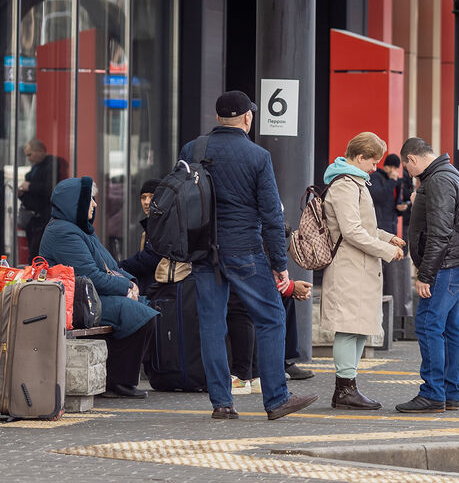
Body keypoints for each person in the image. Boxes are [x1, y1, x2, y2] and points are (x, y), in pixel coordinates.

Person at [181, 90, 316, 421]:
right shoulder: (257, 156)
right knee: (270, 318)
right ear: (247, 118)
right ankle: (276, 399)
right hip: (243, 249)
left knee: (212, 325)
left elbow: (182, 200)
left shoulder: (192, 149)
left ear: (217, 118)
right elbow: (271, 215)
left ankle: (222, 403)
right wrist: (280, 267)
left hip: (202, 250)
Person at [39, 176, 158, 399]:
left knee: (143, 308)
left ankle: (118, 379)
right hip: (78, 302)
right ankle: (119, 381)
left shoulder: (81, 230)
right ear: (76, 203)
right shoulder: (63, 232)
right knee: (140, 314)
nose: (95, 204)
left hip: (92, 297)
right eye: (91, 200)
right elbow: (91, 275)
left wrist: (131, 283)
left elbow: (112, 267)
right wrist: (125, 288)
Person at [320, 132, 405, 410]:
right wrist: (386, 250)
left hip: (357, 265)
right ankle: (345, 390)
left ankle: (348, 388)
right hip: (349, 266)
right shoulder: (345, 185)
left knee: (357, 327)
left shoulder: (354, 182)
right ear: (359, 157)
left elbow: (362, 228)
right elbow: (352, 231)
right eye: (372, 161)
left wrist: (385, 236)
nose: (375, 167)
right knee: (348, 327)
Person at [394, 137, 459, 414]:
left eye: (407, 167)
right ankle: (449, 392)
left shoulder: (439, 180)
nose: (407, 173)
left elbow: (440, 232)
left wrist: (425, 275)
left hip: (446, 266)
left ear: (412, 160)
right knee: (450, 328)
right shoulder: (448, 174)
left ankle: (432, 393)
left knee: (429, 324)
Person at [370, 152, 408, 331]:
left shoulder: (396, 182)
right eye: (392, 168)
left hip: (391, 226)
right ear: (387, 166)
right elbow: (378, 197)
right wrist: (392, 181)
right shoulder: (376, 177)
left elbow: (393, 203)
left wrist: (400, 208)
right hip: (380, 227)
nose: (394, 171)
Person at [18, 138, 63, 260]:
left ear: (40, 151)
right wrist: (22, 194)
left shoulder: (51, 164)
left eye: (30, 154)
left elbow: (50, 188)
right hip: (34, 217)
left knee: (37, 254)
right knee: (32, 252)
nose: (28, 158)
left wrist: (30, 186)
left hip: (45, 216)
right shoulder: (36, 167)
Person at [119, 178, 164, 292]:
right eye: (143, 197)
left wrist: (121, 267)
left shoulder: (163, 225)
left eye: (151, 196)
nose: (146, 202)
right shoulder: (149, 228)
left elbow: (148, 259)